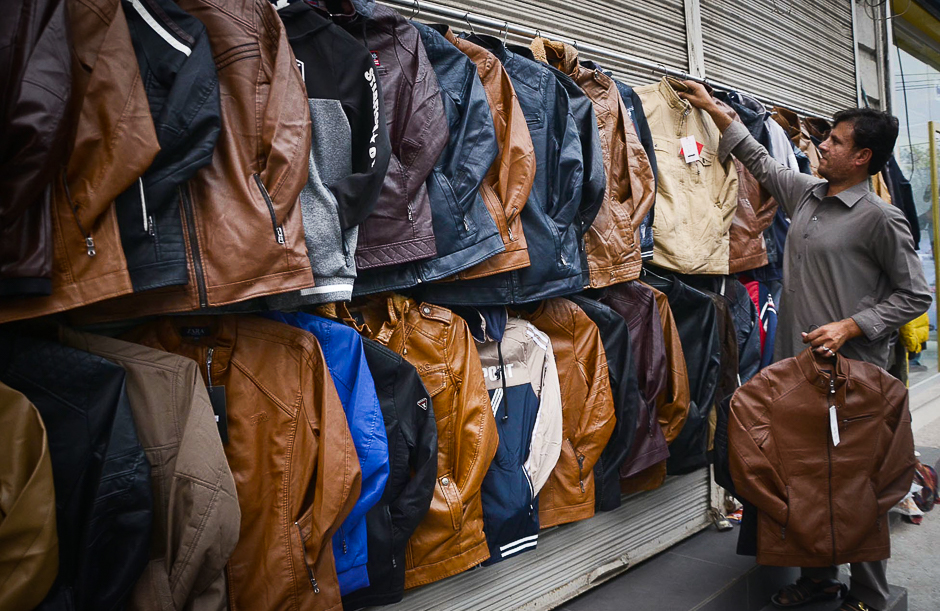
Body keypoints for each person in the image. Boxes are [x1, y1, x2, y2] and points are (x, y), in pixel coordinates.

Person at [678, 81, 932, 611]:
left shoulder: (881, 219)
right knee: (806, 478)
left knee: (853, 486)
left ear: (862, 157)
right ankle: (819, 581)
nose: (823, 146)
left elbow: (914, 294)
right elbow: (758, 160)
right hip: (796, 374)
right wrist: (710, 107)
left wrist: (851, 326)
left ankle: (869, 596)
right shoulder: (808, 195)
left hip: (854, 376)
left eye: (836, 141)